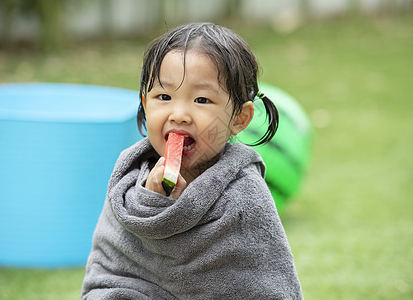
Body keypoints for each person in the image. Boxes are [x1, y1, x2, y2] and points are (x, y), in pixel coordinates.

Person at [82, 22, 303, 299]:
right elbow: (109, 275)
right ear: (144, 104)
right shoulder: (128, 180)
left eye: (201, 99)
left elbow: (266, 286)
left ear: (239, 118)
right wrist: (150, 202)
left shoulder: (245, 196)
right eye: (164, 96)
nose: (179, 114)